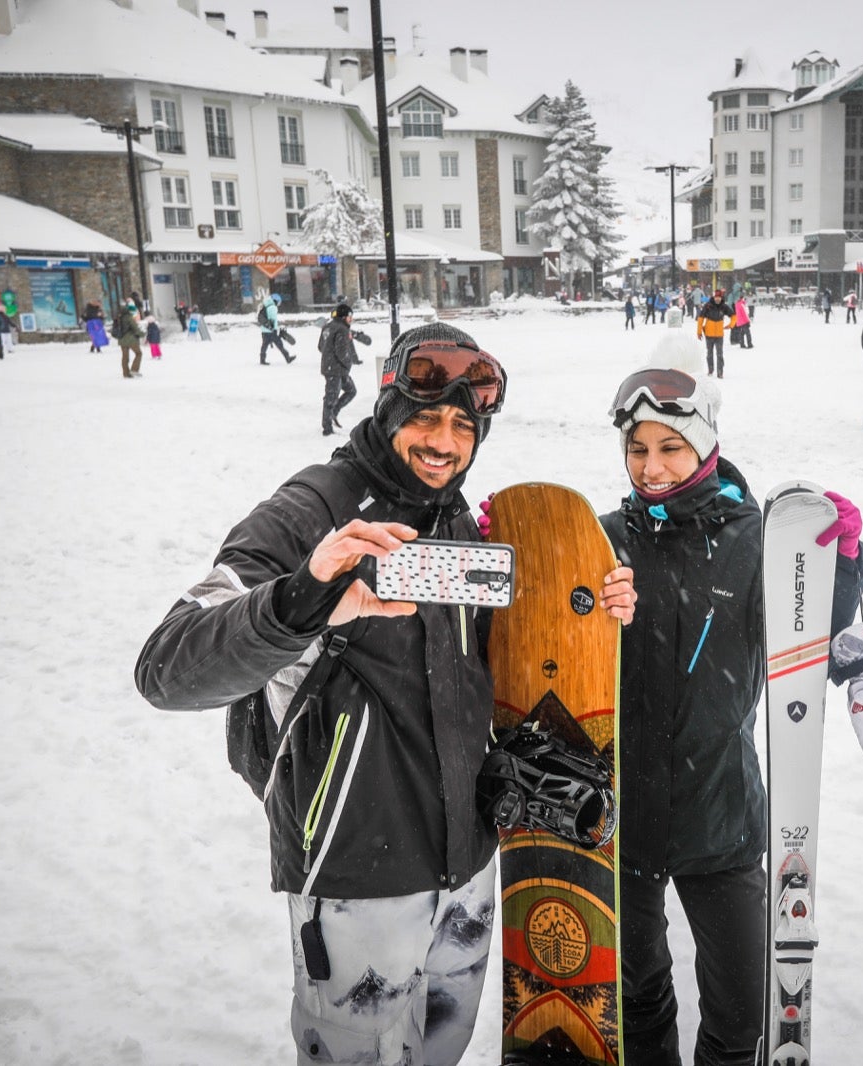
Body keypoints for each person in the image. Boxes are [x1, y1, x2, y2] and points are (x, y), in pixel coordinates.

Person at [136, 321, 636, 1066]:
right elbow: (166, 666)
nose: (444, 442)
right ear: (390, 408)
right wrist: (303, 597)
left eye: (464, 426)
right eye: (426, 418)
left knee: (441, 1051)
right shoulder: (315, 505)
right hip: (356, 882)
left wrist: (588, 608)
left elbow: (485, 666)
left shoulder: (456, 517)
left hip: (466, 873)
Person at [601, 361, 863, 1066]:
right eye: (637, 448)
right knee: (636, 998)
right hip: (622, 822)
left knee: (743, 1012)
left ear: (705, 445)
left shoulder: (757, 542)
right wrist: (525, 548)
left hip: (722, 817)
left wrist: (838, 566)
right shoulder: (603, 538)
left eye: (670, 447)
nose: (651, 467)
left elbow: (808, 632)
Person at [318, 302, 363, 436]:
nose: (351, 319)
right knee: (331, 397)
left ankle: (333, 413)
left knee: (351, 391)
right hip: (335, 369)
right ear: (344, 317)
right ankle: (327, 428)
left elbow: (320, 346)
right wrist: (348, 362)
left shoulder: (327, 326)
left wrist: (329, 355)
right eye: (350, 316)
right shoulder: (342, 329)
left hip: (333, 368)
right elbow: (341, 351)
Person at [697, 289, 732, 378]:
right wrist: (699, 332)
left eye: (719, 297)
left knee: (720, 354)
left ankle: (720, 372)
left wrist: (731, 325)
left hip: (719, 335)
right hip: (709, 334)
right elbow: (700, 318)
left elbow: (733, 315)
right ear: (714, 297)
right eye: (716, 297)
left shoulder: (724, 307)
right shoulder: (708, 306)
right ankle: (710, 370)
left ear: (721, 298)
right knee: (709, 354)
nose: (717, 299)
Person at [260, 293, 296, 365]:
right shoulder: (273, 307)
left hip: (264, 330)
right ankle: (287, 358)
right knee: (280, 345)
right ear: (276, 301)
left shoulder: (266, 305)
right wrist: (276, 329)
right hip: (271, 331)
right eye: (279, 302)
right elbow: (273, 320)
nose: (279, 304)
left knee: (264, 345)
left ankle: (262, 359)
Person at [114, 301, 144, 379]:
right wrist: (142, 334)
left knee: (125, 357)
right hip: (130, 339)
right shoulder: (129, 317)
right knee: (139, 353)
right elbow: (135, 328)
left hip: (121, 339)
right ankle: (134, 369)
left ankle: (126, 373)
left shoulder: (118, 317)